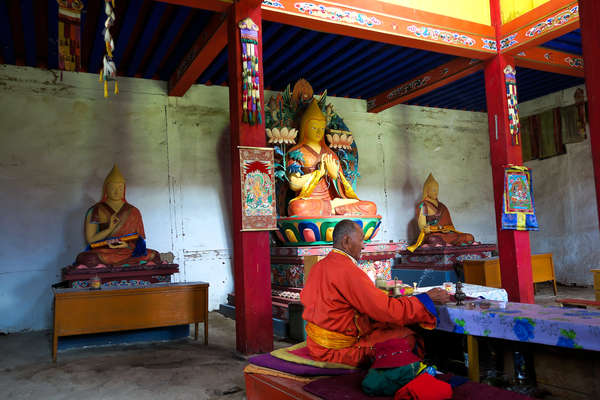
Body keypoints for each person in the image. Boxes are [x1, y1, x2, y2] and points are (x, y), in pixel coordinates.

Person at [301, 220, 450, 367]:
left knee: (385, 326)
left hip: (316, 344)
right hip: (337, 351)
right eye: (361, 240)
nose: (363, 246)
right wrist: (425, 299)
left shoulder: (319, 266)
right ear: (346, 241)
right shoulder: (348, 270)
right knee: (407, 337)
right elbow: (386, 310)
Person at [286, 99, 377, 217]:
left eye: (322, 128)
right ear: (305, 127)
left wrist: (336, 176)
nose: (319, 132)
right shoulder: (296, 152)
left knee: (370, 207)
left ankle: (332, 209)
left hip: (333, 201)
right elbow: (294, 184)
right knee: (297, 208)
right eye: (314, 128)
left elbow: (343, 189)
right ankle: (334, 210)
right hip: (310, 202)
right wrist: (319, 173)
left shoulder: (331, 154)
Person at [75, 165, 161, 267]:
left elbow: (140, 240)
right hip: (105, 251)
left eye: (120, 188)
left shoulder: (134, 211)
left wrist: (127, 245)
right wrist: (109, 229)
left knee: (154, 255)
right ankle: (130, 265)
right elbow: (90, 240)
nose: (117, 191)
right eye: (113, 188)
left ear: (124, 189)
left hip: (127, 251)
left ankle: (123, 264)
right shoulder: (95, 210)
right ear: (106, 189)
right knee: (86, 258)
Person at [407, 173, 475, 252]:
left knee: (469, 237)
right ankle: (443, 244)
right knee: (433, 239)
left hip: (447, 235)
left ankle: (448, 244)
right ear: (427, 191)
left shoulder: (442, 206)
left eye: (437, 189)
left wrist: (447, 229)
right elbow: (423, 227)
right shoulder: (423, 205)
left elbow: (450, 226)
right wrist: (431, 229)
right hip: (433, 235)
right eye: (433, 190)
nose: (436, 192)